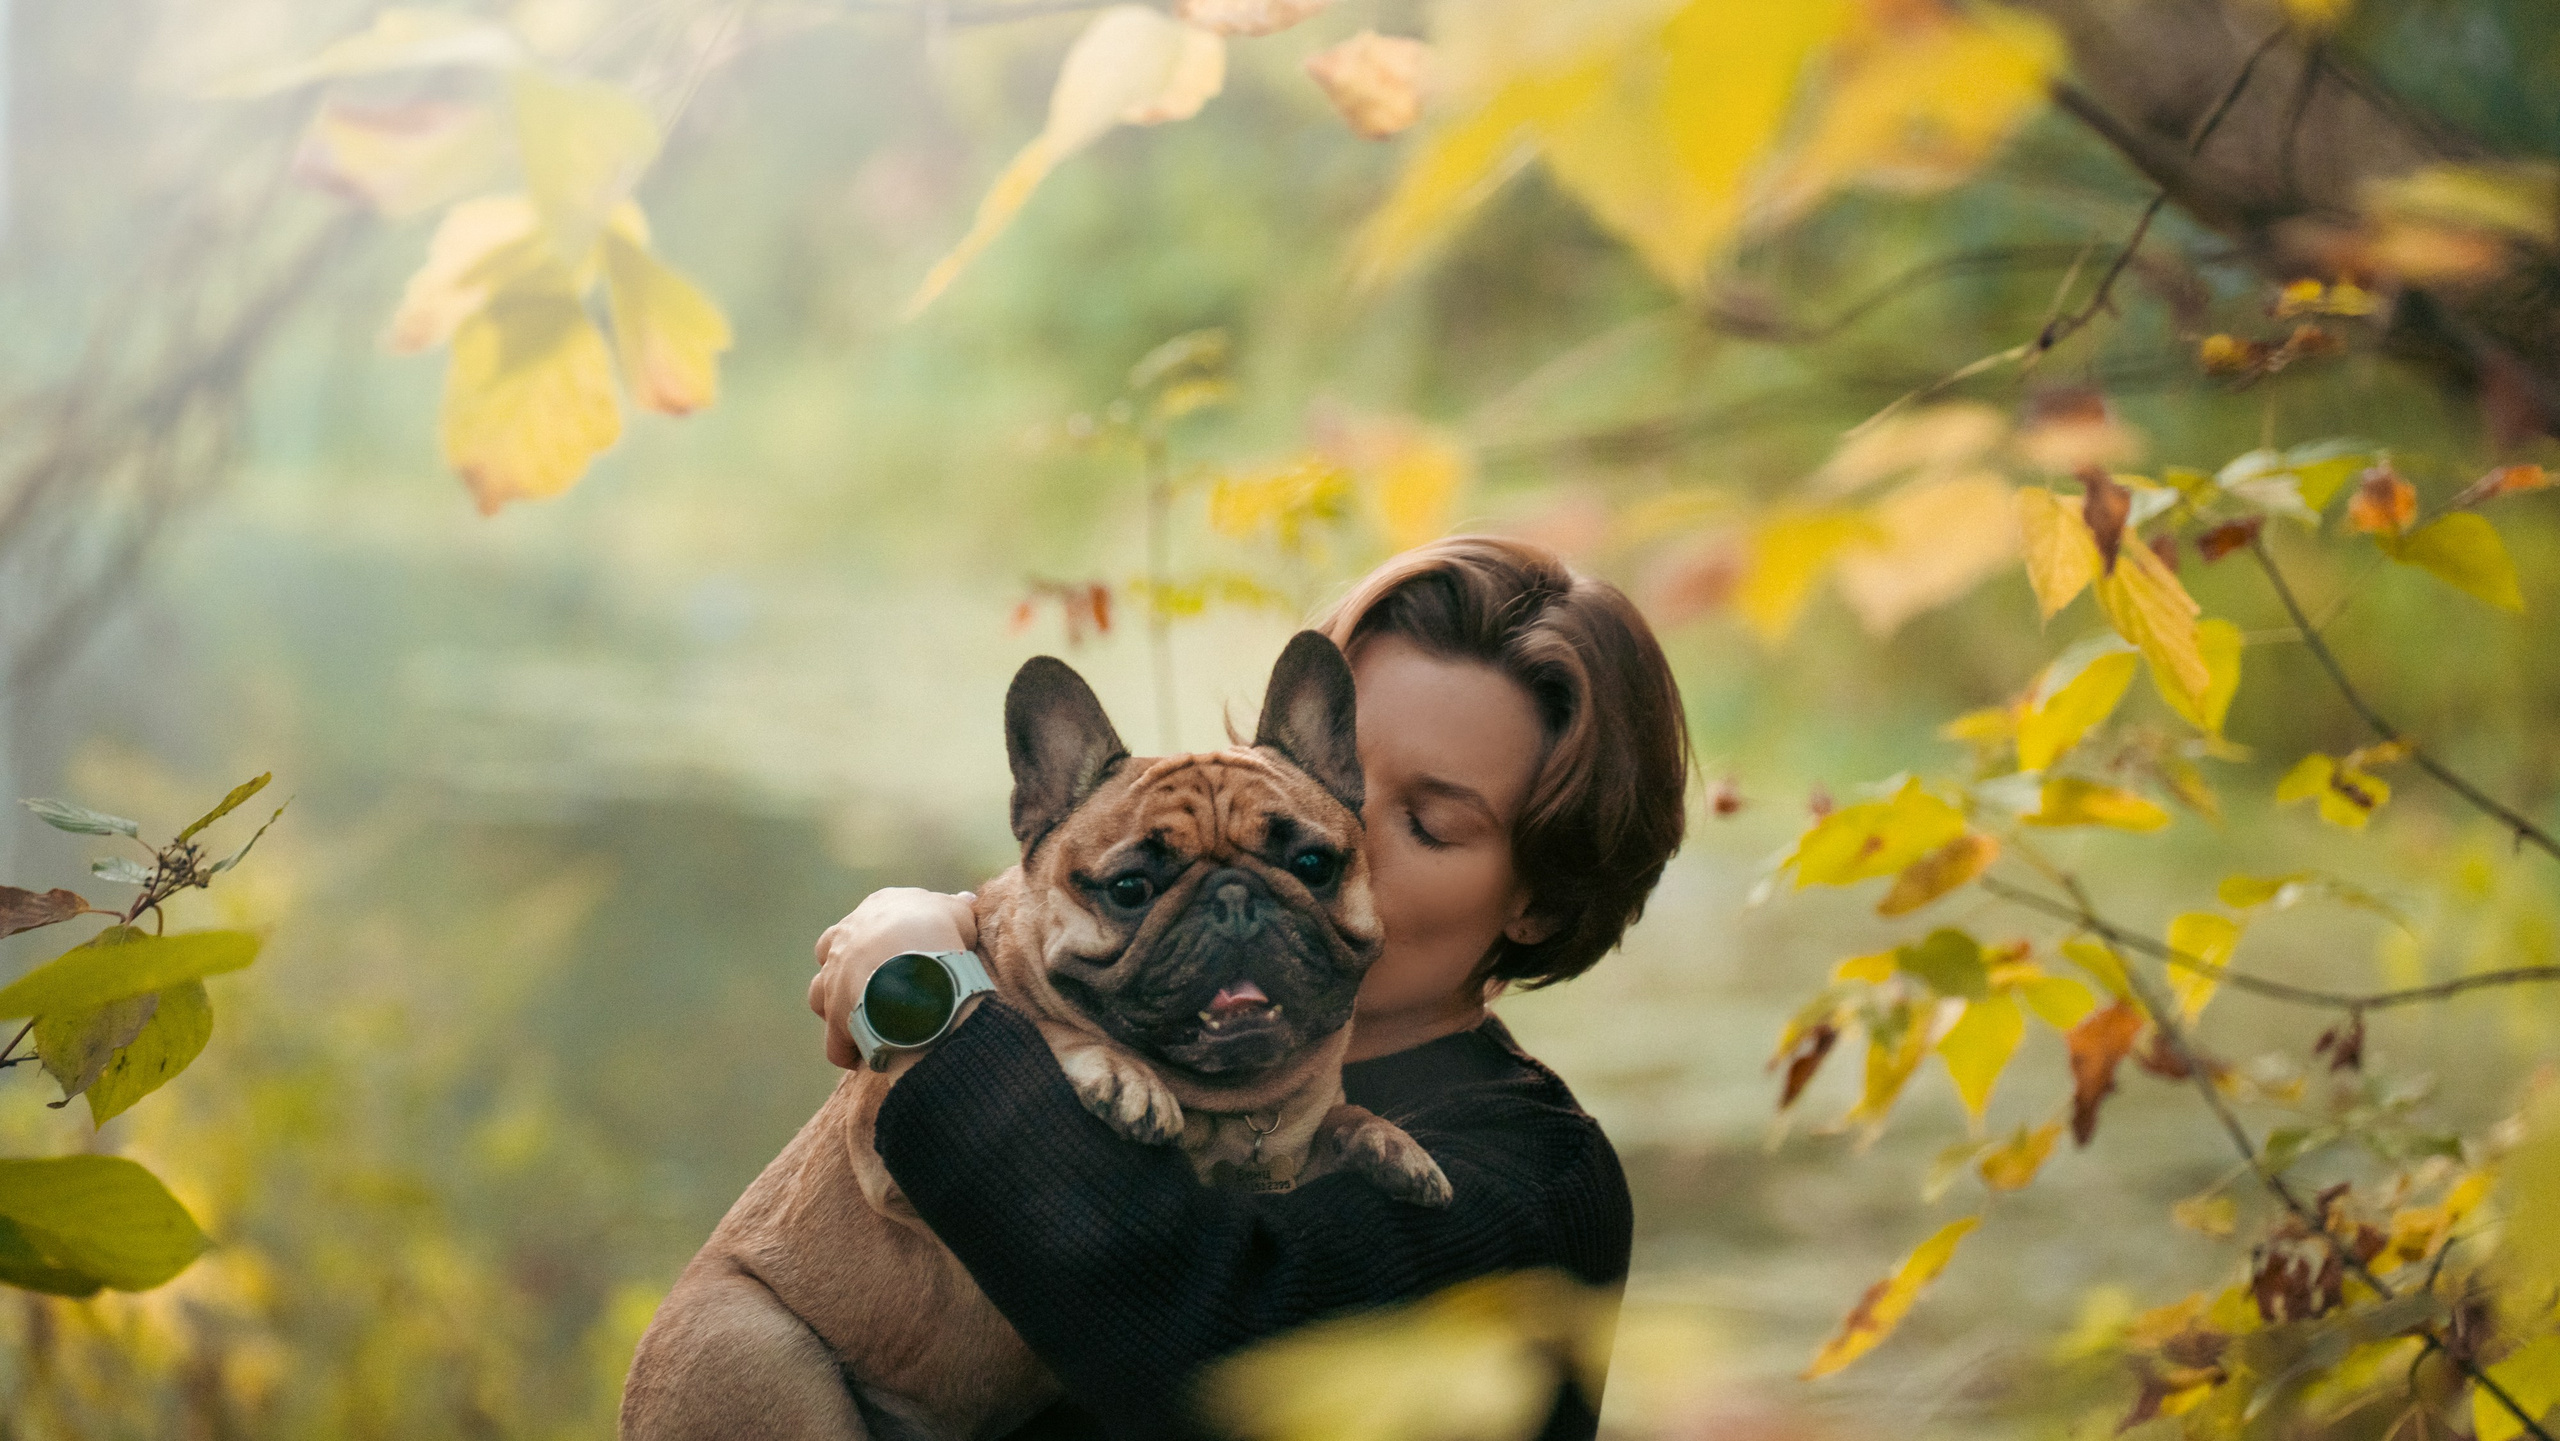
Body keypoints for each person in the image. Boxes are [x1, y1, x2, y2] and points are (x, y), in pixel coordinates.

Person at [806, 536, 1691, 1440]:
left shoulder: (1531, 1181)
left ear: (1541, 901)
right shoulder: (1121, 1018)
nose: (1340, 831)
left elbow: (1207, 1342)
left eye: (1426, 823)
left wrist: (923, 996)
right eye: (1321, 776)